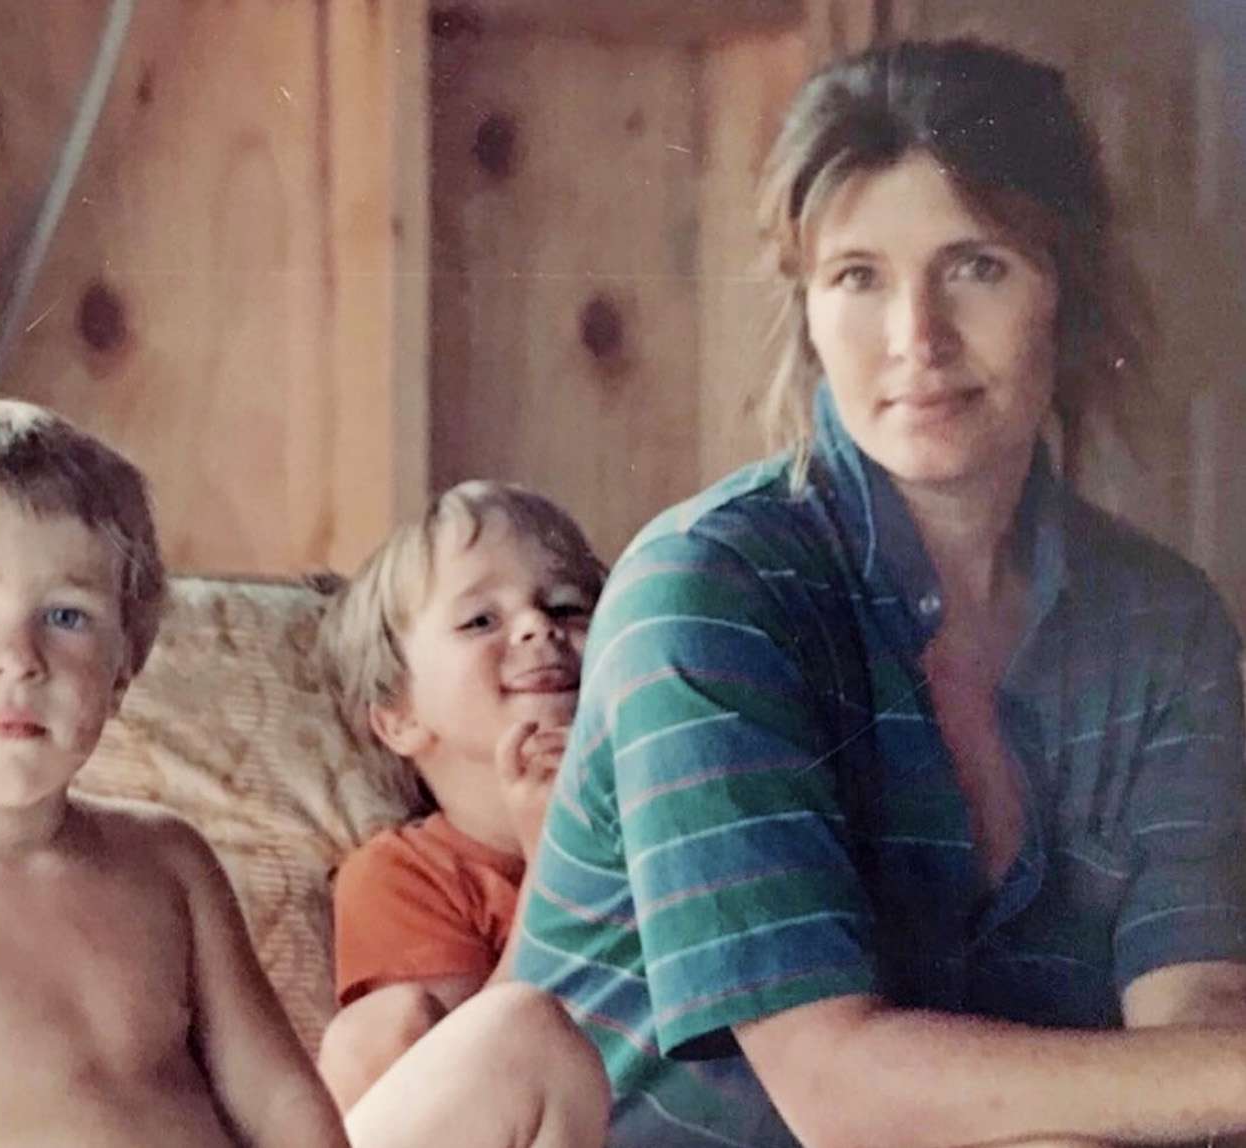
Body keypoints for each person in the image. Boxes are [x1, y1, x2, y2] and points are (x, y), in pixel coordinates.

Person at [514, 38, 1246, 1148]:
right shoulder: (706, 593)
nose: (918, 339)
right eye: (858, 277)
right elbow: (839, 1090)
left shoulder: (1163, 622)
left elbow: (1198, 1022)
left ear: (1068, 290)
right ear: (807, 310)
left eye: (977, 265)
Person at [0, 397, 607, 1148]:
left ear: (125, 666)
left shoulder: (164, 860)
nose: (17, 656)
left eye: (66, 615)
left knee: (527, 1037)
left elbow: (283, 1106)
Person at [315, 481, 608, 1111]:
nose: (538, 627)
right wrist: (553, 856)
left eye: (565, 606)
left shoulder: (659, 816)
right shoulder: (403, 874)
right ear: (398, 717)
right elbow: (473, 1079)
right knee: (379, 1028)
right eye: (481, 620)